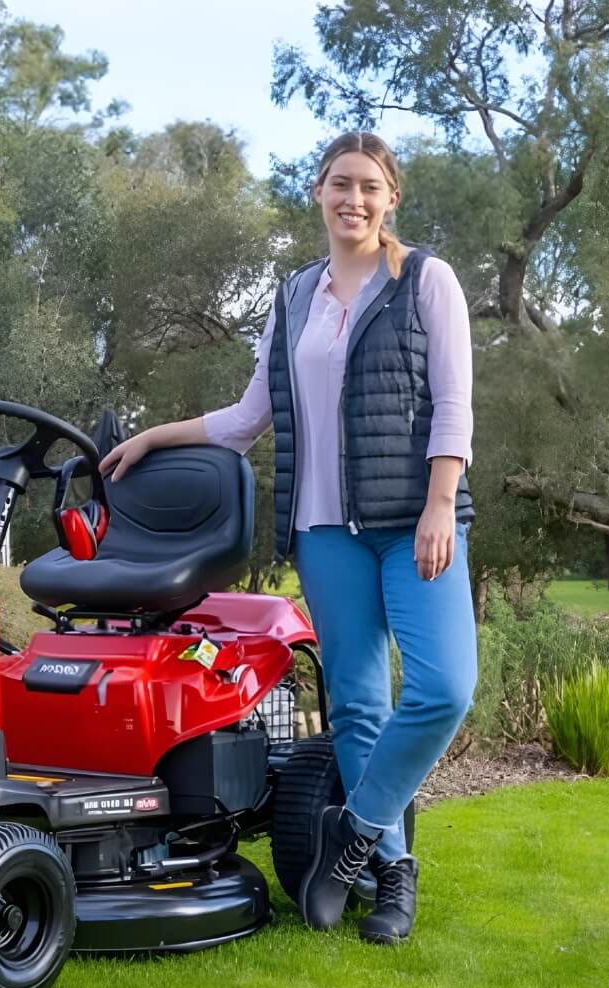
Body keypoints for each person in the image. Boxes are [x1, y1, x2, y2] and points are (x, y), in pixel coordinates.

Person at [100, 131, 478, 946]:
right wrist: (155, 436)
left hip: (414, 523)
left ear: (392, 198)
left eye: (370, 186)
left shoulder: (426, 280)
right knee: (359, 706)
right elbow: (249, 416)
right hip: (324, 532)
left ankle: (354, 834)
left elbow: (453, 403)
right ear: (319, 192)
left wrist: (441, 503)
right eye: (341, 183)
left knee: (445, 688)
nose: (355, 199)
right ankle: (392, 878)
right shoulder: (294, 295)